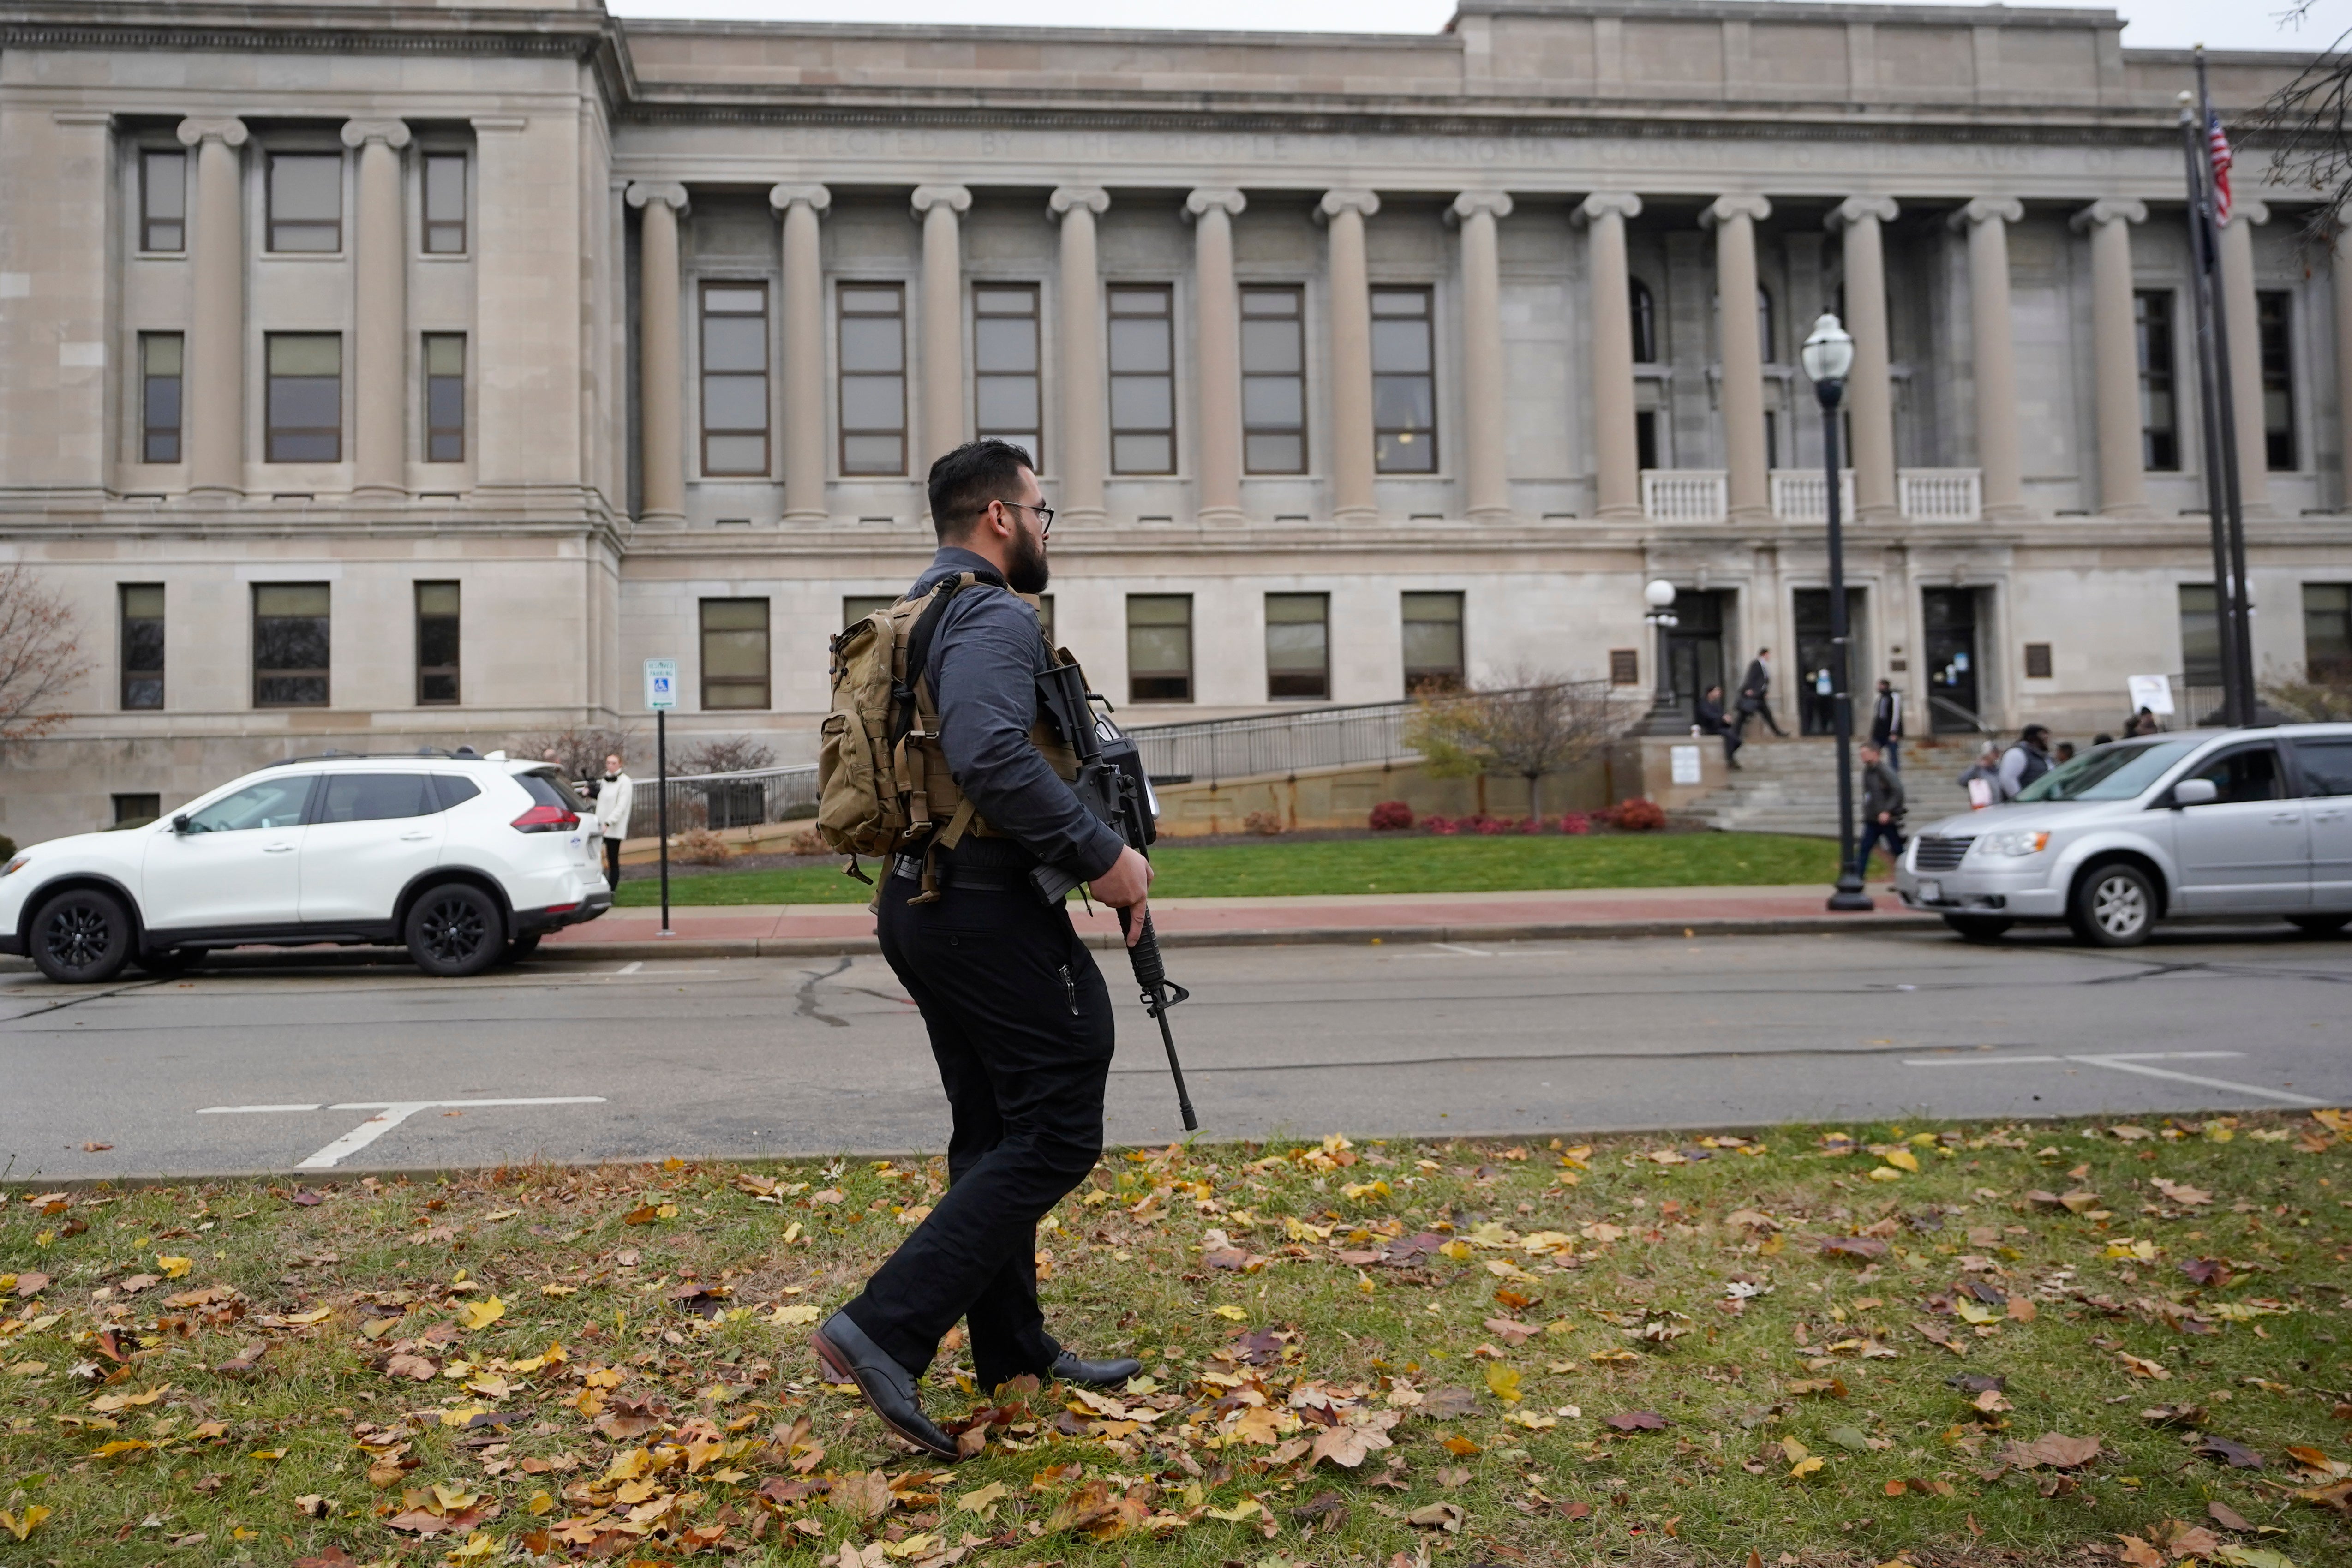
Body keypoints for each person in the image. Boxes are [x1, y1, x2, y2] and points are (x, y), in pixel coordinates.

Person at [814, 439, 1153, 1460]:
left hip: (923, 900)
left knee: (994, 1126)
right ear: (1001, 517)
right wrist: (1105, 856)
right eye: (1043, 511)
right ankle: (883, 1324)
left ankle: (1011, 1351)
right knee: (1057, 1121)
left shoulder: (920, 614)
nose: (1048, 530)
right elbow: (991, 749)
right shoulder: (995, 613)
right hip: (983, 904)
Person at [1856, 741, 1905, 878]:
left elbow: (1898, 791)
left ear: (1875, 753)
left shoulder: (1884, 771)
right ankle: (1858, 876)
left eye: (1865, 753)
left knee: (1897, 849)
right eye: (1861, 754)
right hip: (1873, 818)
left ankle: (1904, 876)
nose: (1863, 757)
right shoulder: (1868, 772)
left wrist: (1887, 811)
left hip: (1886, 819)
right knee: (1865, 848)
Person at [592, 753, 633, 891]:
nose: (610, 766)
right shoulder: (605, 780)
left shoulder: (625, 782)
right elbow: (602, 800)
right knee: (596, 856)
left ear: (620, 764)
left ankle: (612, 889)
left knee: (612, 859)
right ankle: (598, 884)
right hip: (600, 824)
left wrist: (609, 822)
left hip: (614, 827)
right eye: (608, 763)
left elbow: (621, 806)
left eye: (614, 763)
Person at [1996, 724, 2054, 801]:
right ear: (2032, 738)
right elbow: (2007, 779)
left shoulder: (2041, 756)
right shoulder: (2017, 753)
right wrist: (2021, 800)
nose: (2046, 741)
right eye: (2043, 737)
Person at [1737, 648, 1786, 738]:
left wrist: (1765, 692)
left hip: (1760, 696)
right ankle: (1735, 733)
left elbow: (1764, 681)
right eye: (1768, 655)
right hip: (1754, 695)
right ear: (1764, 655)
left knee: (1767, 715)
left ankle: (1778, 733)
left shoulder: (1764, 665)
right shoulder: (1756, 664)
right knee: (1743, 715)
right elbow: (1751, 677)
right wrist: (1749, 689)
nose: (1769, 657)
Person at [1695, 682, 1740, 770]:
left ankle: (1729, 757)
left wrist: (1727, 720)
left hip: (1719, 727)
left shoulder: (1717, 705)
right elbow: (1708, 715)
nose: (1719, 693)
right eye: (1716, 691)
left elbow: (1721, 715)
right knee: (1729, 738)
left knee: (1736, 740)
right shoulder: (1703, 704)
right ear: (1710, 693)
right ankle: (1729, 759)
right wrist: (1722, 718)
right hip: (1709, 728)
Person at [1868, 678, 1905, 770]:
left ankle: (1894, 772)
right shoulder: (1880, 698)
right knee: (1874, 750)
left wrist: (1894, 732)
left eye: (1881, 685)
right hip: (1880, 730)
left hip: (1889, 730)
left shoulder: (1894, 697)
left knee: (1893, 754)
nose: (1879, 687)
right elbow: (1877, 715)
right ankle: (1874, 769)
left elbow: (1896, 715)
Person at [1958, 742, 2003, 810]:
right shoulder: (1977, 769)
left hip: (1998, 805)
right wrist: (1976, 766)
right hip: (1984, 807)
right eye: (1994, 752)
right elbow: (1962, 781)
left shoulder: (1998, 769)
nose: (1996, 755)